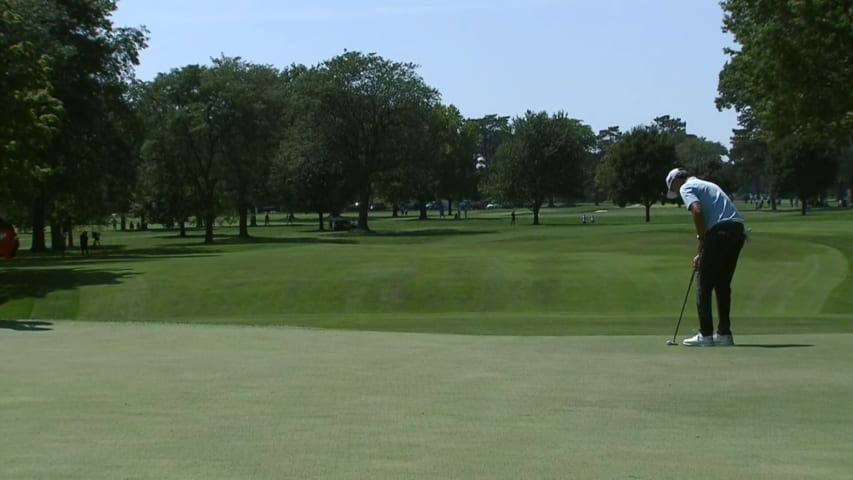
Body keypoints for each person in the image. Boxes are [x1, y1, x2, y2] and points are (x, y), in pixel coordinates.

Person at [666, 168, 746, 347]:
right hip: (737, 231)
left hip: (719, 232)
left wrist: (702, 240)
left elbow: (697, 211)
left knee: (703, 283)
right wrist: (702, 250)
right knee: (722, 284)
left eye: (673, 189)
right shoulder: (707, 184)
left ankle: (706, 335)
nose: (677, 194)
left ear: (677, 180)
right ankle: (724, 334)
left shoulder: (687, 187)